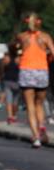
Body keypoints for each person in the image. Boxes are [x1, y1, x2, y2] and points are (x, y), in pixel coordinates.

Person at [14, 13, 54, 147]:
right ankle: (41, 126)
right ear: (39, 22)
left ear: (27, 22)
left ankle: (36, 137)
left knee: (30, 105)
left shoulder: (22, 37)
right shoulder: (45, 37)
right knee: (39, 104)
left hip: (26, 71)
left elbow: (14, 48)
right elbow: (53, 53)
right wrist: (47, 59)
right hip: (41, 71)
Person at [1, 46, 21, 124]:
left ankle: (10, 117)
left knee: (9, 100)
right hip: (17, 80)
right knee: (15, 100)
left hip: (8, 79)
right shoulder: (19, 57)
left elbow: (2, 67)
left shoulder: (6, 57)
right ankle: (14, 116)